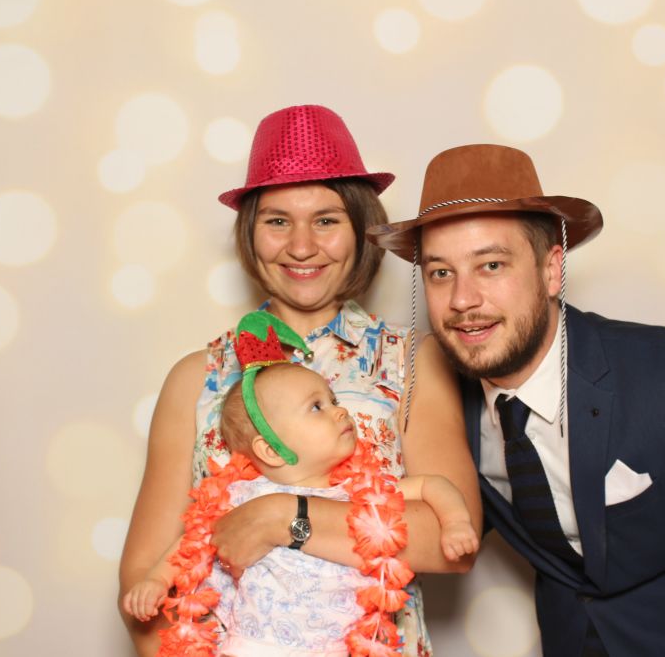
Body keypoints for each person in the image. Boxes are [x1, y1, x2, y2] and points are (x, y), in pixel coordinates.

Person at [367, 144, 665, 656]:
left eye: (492, 265)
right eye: (440, 273)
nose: (462, 299)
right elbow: (420, 522)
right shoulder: (444, 405)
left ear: (551, 270)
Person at [118, 105, 482, 657]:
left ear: (360, 229)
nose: (302, 246)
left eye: (327, 220)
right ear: (250, 233)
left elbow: (449, 542)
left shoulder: (411, 361)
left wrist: (285, 517)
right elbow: (144, 581)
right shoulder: (197, 377)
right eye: (277, 221)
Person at [123, 333, 479, 656]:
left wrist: (456, 522)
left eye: (332, 400)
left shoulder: (357, 493)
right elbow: (193, 542)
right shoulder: (245, 494)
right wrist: (157, 580)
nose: (340, 410)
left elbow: (431, 485)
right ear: (271, 450)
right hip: (256, 648)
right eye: (316, 407)